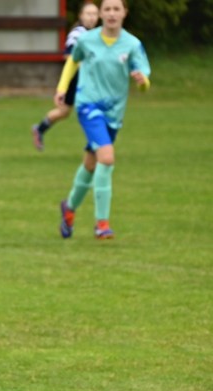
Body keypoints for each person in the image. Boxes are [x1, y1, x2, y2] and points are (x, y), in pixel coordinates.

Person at [55, 0, 150, 240]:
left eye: (116, 9)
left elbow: (144, 79)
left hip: (114, 113)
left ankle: (69, 208)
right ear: (100, 14)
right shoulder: (87, 40)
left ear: (125, 13)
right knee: (106, 158)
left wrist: (142, 82)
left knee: (90, 164)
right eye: (107, 9)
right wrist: (62, 88)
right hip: (88, 105)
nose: (111, 13)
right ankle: (102, 224)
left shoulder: (132, 44)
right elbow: (72, 61)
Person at [31, 2, 99, 151]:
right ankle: (40, 129)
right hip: (76, 79)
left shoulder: (97, 34)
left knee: (81, 110)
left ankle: (96, 143)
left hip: (88, 80)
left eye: (94, 14)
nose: (92, 17)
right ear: (81, 16)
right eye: (88, 14)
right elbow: (69, 56)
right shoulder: (77, 34)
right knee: (66, 111)